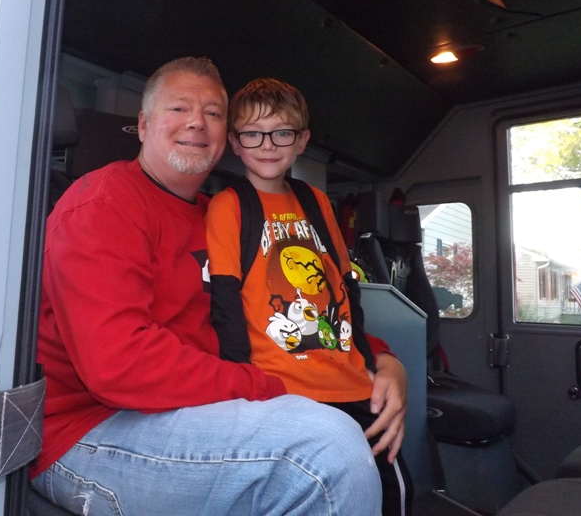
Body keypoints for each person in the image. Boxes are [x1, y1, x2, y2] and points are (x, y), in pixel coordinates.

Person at [32, 57, 382, 515]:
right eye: (179, 108)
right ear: (143, 125)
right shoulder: (103, 203)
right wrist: (268, 387)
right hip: (90, 428)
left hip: (188, 410)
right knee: (327, 451)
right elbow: (119, 364)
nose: (197, 121)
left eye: (213, 112)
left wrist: (381, 359)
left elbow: (293, 303)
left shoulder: (222, 214)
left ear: (225, 136)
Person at [206, 78, 413, 515]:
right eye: (253, 133)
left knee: (393, 491)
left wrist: (372, 361)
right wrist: (241, 395)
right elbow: (225, 305)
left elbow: (346, 289)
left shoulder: (317, 202)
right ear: (235, 143)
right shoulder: (229, 205)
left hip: (352, 383)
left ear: (301, 141)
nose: (268, 144)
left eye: (282, 133)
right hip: (282, 389)